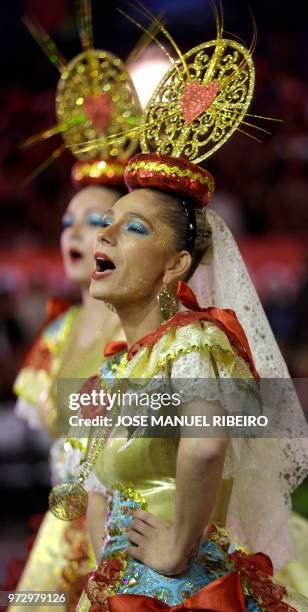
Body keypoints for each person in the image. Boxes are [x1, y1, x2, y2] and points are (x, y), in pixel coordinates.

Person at [48, 23, 308, 612]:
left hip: (180, 591)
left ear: (177, 265)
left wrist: (177, 548)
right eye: (106, 221)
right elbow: (96, 491)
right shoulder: (121, 367)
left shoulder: (193, 342)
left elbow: (206, 445)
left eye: (133, 227)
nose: (105, 234)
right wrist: (101, 573)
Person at [9, 6, 141, 610]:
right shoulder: (57, 333)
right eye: (68, 222)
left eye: (95, 222)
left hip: (133, 542)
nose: (75, 235)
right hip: (63, 542)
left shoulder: (153, 330)